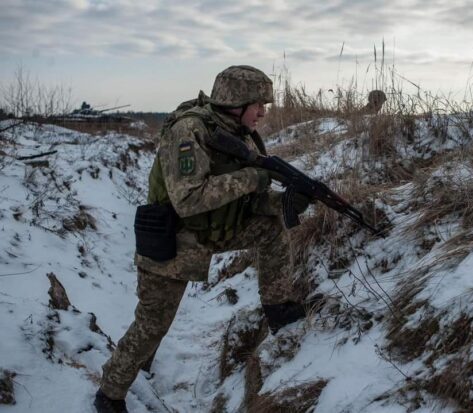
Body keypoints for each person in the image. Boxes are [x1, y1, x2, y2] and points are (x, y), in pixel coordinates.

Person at [94, 65, 311, 413]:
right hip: (172, 242)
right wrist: (253, 179)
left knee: (271, 227)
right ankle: (110, 393)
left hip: (209, 233)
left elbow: (243, 197)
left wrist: (284, 201)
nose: (264, 112)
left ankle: (278, 307)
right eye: (259, 104)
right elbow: (190, 199)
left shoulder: (237, 132)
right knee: (152, 325)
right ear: (237, 101)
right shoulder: (188, 131)